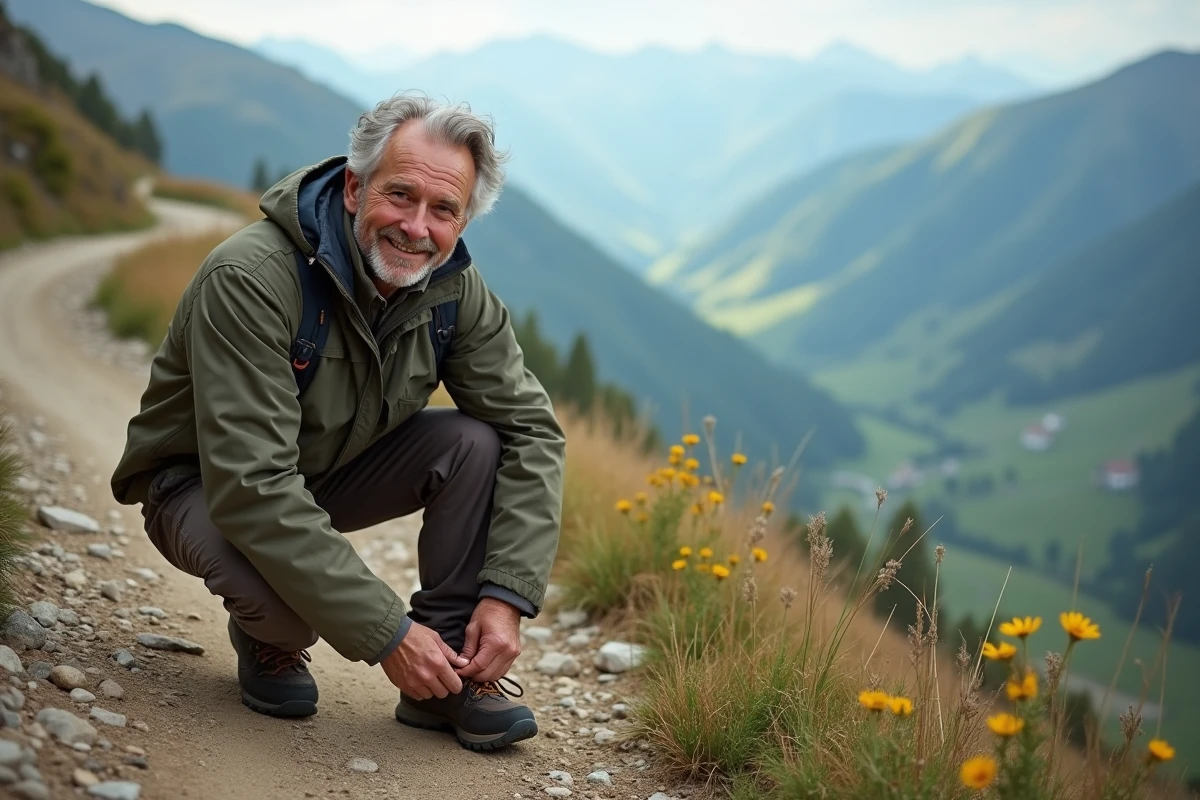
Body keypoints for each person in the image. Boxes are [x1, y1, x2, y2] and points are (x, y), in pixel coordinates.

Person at [110, 93, 566, 752]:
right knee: (293, 616)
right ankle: (270, 640)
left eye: (443, 210)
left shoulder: (454, 293)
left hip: (326, 473)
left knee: (477, 440)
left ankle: (445, 682)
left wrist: (506, 596)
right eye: (400, 196)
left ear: (463, 222)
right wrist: (387, 633)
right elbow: (254, 484)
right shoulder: (252, 277)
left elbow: (532, 428)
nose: (417, 227)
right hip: (203, 486)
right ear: (354, 188)